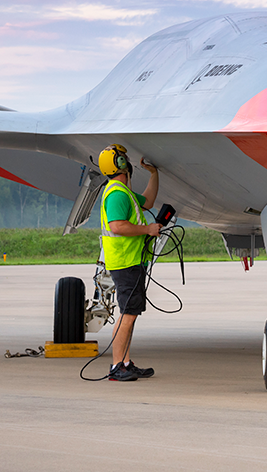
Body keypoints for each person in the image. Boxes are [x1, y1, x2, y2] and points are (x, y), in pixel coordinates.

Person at [98, 144, 162, 381]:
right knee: (128, 314)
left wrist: (154, 174)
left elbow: (148, 202)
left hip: (132, 261)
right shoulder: (117, 194)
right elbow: (117, 226)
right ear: (121, 164)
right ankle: (117, 367)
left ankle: (125, 362)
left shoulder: (124, 192)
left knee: (131, 312)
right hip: (125, 262)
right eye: (124, 158)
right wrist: (147, 229)